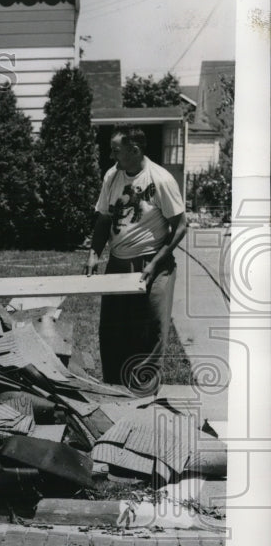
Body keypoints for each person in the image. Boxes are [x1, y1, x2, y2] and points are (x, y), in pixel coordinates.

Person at [85, 128, 186, 394]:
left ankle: (143, 395)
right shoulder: (112, 176)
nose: (111, 155)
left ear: (135, 150)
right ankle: (114, 390)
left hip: (154, 263)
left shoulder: (160, 179)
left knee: (149, 330)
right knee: (113, 329)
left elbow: (181, 226)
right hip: (118, 263)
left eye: (115, 150)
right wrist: (95, 253)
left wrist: (156, 262)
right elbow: (105, 218)